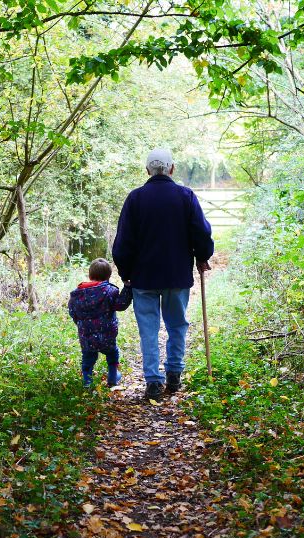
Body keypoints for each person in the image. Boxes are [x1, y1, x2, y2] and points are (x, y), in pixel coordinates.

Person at [112, 148, 214, 400]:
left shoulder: (135, 199)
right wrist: (203, 256)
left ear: (147, 170)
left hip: (142, 278)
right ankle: (174, 375)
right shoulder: (185, 196)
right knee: (177, 325)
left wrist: (126, 273)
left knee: (148, 330)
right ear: (172, 168)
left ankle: (153, 382)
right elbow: (201, 232)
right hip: (176, 276)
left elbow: (123, 242)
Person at [68, 258, 133, 388]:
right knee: (112, 353)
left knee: (88, 358)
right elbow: (121, 305)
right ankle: (113, 377)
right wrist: (127, 288)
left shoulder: (77, 294)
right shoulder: (110, 291)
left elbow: (72, 312)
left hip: (86, 335)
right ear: (109, 276)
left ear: (90, 275)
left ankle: (87, 382)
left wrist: (81, 324)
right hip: (107, 334)